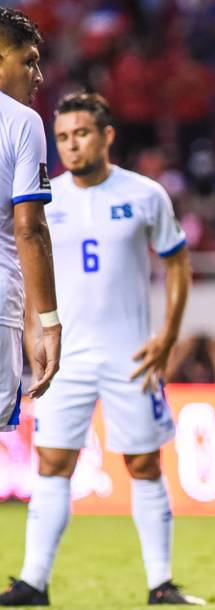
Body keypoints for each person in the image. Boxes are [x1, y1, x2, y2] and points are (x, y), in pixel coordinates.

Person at [0, 92, 203, 606]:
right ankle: (32, 582)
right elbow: (28, 267)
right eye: (63, 137)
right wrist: (31, 333)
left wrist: (168, 334)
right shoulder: (45, 197)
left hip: (130, 354)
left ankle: (161, 583)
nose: (71, 145)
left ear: (107, 136)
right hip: (64, 356)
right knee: (51, 462)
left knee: (143, 464)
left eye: (81, 134)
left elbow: (178, 264)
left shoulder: (146, 194)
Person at [0, 8, 60, 435]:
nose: (38, 75)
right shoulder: (22, 121)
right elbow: (30, 228)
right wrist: (49, 323)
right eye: (29, 60)